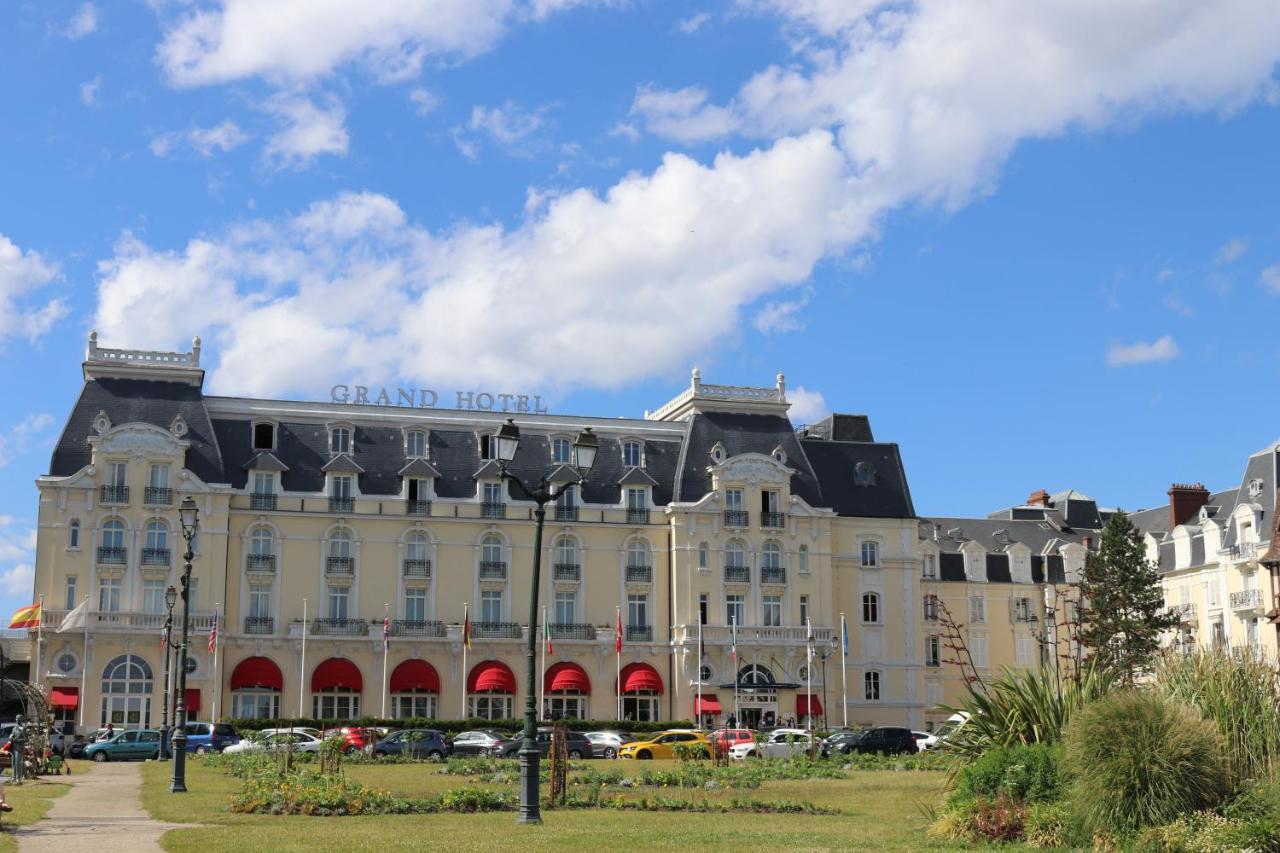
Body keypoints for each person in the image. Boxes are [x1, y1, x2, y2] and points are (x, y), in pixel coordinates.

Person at [9, 716, 26, 784]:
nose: (16, 720)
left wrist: (18, 740)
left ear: (21, 720)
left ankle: (18, 778)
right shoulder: (14, 728)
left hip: (19, 748)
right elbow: (12, 736)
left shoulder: (23, 728)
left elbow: (25, 739)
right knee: (13, 763)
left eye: (18, 719)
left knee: (18, 763)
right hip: (13, 748)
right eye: (16, 719)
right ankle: (13, 777)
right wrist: (10, 737)